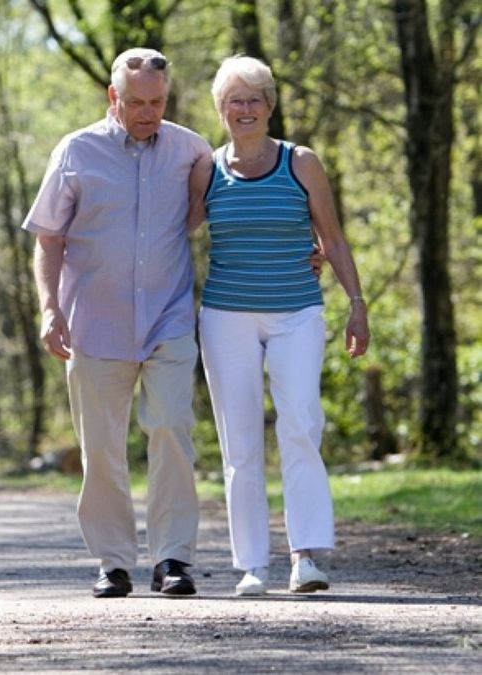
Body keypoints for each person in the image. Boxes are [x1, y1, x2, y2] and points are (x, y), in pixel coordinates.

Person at [21, 48, 211, 598]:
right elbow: (49, 238)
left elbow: (230, 204)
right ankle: (113, 561)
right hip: (94, 325)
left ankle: (174, 558)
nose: (148, 112)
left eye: (157, 101)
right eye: (136, 102)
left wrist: (308, 248)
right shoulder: (76, 151)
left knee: (172, 428)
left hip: (168, 318)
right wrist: (50, 308)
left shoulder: (190, 149)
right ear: (113, 98)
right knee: (101, 447)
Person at [187, 55, 370, 596]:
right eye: (234, 101)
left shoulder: (301, 162)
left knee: (301, 425)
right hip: (225, 317)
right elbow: (174, 232)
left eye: (254, 99)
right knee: (239, 442)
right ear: (221, 110)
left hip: (297, 312)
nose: (244, 109)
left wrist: (356, 303)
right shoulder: (207, 168)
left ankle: (305, 557)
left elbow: (332, 239)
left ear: (270, 106)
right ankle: (251, 565)